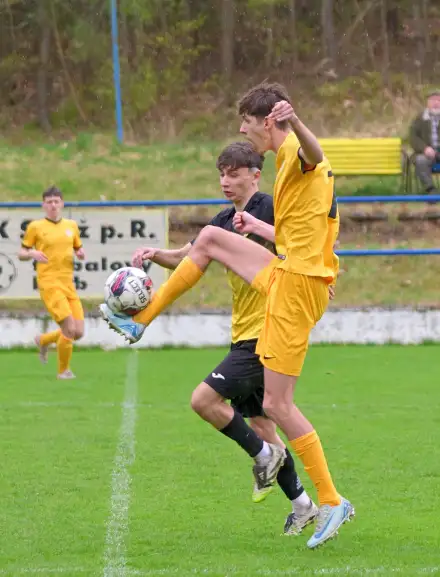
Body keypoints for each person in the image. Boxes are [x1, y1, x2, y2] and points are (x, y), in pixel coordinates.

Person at [100, 82, 354, 549]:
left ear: (269, 121)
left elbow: (316, 155)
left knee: (277, 406)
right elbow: (307, 230)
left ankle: (330, 500)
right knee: (210, 240)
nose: (243, 130)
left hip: (297, 286)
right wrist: (259, 229)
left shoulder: (294, 149)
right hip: (293, 275)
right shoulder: (283, 171)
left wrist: (296, 121)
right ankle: (140, 320)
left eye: (248, 123)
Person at [131, 141, 318, 535]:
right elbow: (186, 257)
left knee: (204, 400)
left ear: (255, 175)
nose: (225, 181)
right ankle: (303, 505)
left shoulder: (269, 209)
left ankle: (264, 458)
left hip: (266, 333)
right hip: (243, 334)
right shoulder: (221, 220)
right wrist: (154, 253)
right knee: (264, 428)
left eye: (233, 174)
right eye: (221, 174)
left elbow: (302, 246)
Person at [18, 186, 85, 379]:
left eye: (56, 201)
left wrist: (80, 253)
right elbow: (21, 253)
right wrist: (31, 253)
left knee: (78, 332)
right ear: (43, 205)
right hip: (49, 284)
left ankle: (44, 339)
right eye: (49, 202)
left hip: (68, 284)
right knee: (69, 329)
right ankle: (64, 371)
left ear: (62, 204)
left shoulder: (71, 225)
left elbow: (77, 247)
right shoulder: (35, 227)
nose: (53, 205)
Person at [410, 89, 440, 194]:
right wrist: (425, 148)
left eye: (438, 100)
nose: (436, 103)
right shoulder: (420, 118)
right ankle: (431, 190)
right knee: (421, 160)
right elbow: (413, 137)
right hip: (427, 153)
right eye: (433, 100)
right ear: (428, 103)